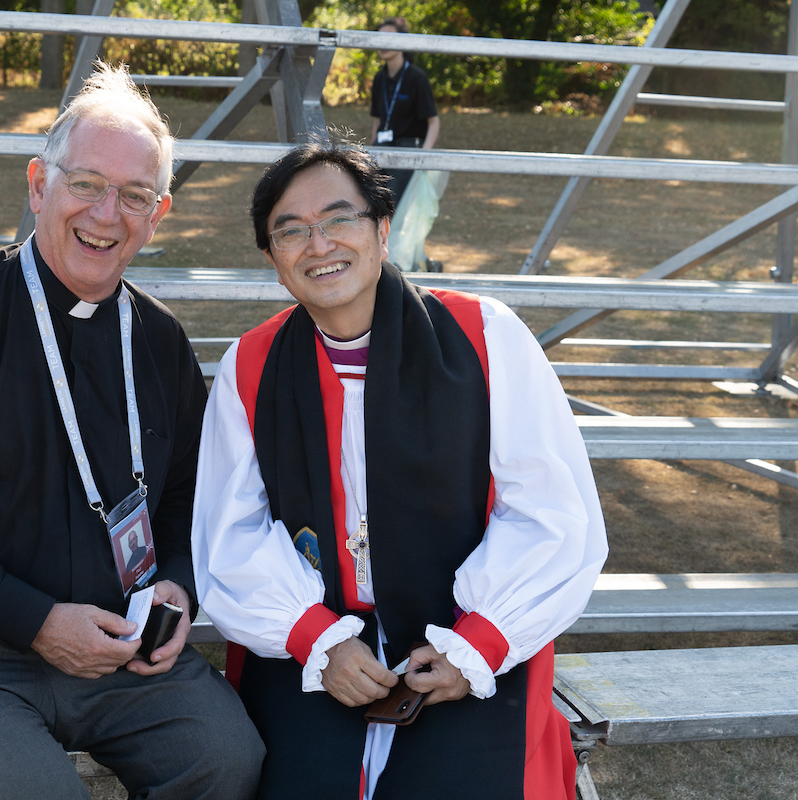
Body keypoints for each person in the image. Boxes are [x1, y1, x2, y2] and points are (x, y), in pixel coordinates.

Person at [0, 62, 264, 800]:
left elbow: (188, 491)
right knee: (33, 790)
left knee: (225, 757)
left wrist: (176, 584)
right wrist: (34, 621)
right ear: (40, 185)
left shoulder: (160, 340)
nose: (107, 215)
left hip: (116, 650)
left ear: (158, 214)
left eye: (134, 196)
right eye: (87, 185)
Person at [191, 139, 607, 799]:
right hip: (320, 643)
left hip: (457, 634)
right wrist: (316, 640)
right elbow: (228, 532)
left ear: (383, 230)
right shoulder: (250, 366)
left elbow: (553, 513)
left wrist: (478, 645)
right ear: (274, 262)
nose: (318, 244)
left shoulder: (486, 336)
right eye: (290, 232)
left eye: (339, 219)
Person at [369, 17, 440, 205]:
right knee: (372, 203)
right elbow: (377, 120)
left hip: (408, 149)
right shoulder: (379, 78)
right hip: (382, 147)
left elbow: (433, 122)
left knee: (390, 206)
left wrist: (423, 158)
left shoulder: (417, 77)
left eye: (389, 38)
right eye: (379, 39)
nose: (383, 44)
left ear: (402, 41)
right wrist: (372, 152)